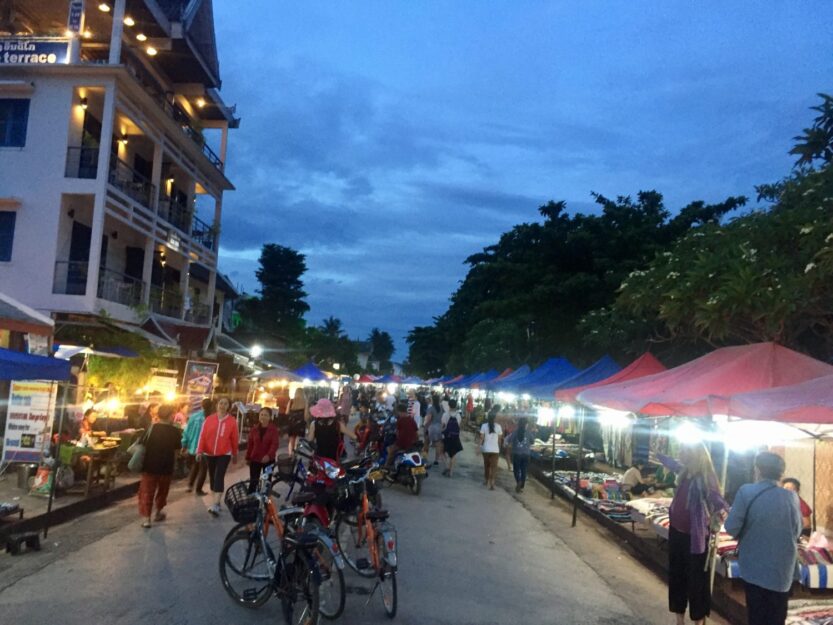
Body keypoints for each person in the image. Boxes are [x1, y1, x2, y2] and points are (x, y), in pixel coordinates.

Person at [655, 443, 728, 625]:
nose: (680, 453)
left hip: (695, 539)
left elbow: (719, 503)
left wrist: (719, 517)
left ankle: (698, 620)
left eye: (684, 451)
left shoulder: (705, 479)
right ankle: (679, 618)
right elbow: (671, 463)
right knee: (677, 575)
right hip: (677, 533)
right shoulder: (684, 472)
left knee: (696, 581)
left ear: (694, 456)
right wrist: (658, 453)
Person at [725, 452, 802, 625]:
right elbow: (797, 531)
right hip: (782, 570)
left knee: (758, 616)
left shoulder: (747, 492)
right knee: (776, 617)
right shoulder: (791, 497)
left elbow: (731, 528)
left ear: (757, 470)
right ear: (780, 474)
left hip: (755, 568)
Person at [137, 404, 182, 528]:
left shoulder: (151, 428)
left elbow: (142, 445)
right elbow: (177, 451)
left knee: (147, 492)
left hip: (149, 465)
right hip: (166, 466)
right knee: (162, 491)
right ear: (170, 415)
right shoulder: (175, 431)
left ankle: (147, 519)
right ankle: (158, 512)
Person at [197, 397, 239, 516]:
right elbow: (202, 436)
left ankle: (215, 504)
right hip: (209, 453)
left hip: (224, 454)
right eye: (221, 403)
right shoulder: (209, 419)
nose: (222, 405)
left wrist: (235, 454)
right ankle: (216, 501)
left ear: (228, 407)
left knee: (219, 475)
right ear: (217, 405)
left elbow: (234, 439)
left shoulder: (232, 421)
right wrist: (199, 451)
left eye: (225, 403)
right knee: (212, 477)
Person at [182, 397, 211, 495]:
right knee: (203, 468)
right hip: (206, 448)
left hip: (193, 446)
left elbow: (187, 431)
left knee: (195, 465)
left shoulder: (194, 417)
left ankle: (190, 485)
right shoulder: (212, 418)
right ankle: (198, 489)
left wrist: (184, 444)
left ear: (202, 405)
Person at [246, 408, 279, 493]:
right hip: (255, 459)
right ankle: (252, 499)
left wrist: (268, 455)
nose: (263, 417)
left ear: (270, 417)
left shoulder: (273, 429)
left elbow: (274, 444)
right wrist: (248, 457)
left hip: (269, 460)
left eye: (266, 415)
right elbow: (250, 444)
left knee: (267, 481)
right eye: (261, 414)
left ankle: (266, 500)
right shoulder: (254, 429)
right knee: (254, 481)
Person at [384, 402, 418, 469]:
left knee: (390, 451)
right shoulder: (411, 419)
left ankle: (386, 466)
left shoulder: (400, 420)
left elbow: (397, 432)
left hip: (402, 442)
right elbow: (416, 431)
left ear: (400, 411)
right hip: (411, 442)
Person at [506, 417, 534, 493]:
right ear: (526, 424)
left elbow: (509, 440)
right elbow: (533, 442)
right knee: (523, 470)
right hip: (526, 454)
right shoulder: (528, 432)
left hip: (516, 454)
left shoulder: (515, 432)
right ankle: (521, 486)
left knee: (516, 470)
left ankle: (518, 481)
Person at [479, 409, 503, 490]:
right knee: (494, 467)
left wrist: (478, 447)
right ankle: (492, 483)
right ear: (495, 418)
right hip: (495, 450)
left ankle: (486, 481)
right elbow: (499, 440)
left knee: (487, 466)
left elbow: (481, 438)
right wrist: (499, 448)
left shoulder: (484, 426)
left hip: (486, 449)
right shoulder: (498, 427)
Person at [441, 399, 462, 477]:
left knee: (442, 452)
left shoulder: (445, 414)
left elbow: (443, 426)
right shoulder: (458, 415)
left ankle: (446, 466)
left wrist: (442, 431)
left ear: (448, 405)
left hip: (446, 436)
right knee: (453, 454)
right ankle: (451, 472)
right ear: (456, 405)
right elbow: (459, 426)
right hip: (455, 437)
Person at [286, 386, 309, 455]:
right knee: (297, 439)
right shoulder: (305, 402)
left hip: (292, 423)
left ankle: (290, 454)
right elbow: (306, 415)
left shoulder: (291, 401)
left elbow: (286, 412)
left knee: (291, 440)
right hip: (300, 424)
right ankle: (295, 453)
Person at [423, 394, 444, 464]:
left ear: (432, 400)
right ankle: (436, 460)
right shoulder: (441, 408)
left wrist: (425, 427)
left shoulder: (430, 408)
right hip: (439, 427)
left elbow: (428, 419)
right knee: (438, 444)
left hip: (431, 427)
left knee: (426, 443)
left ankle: (425, 458)